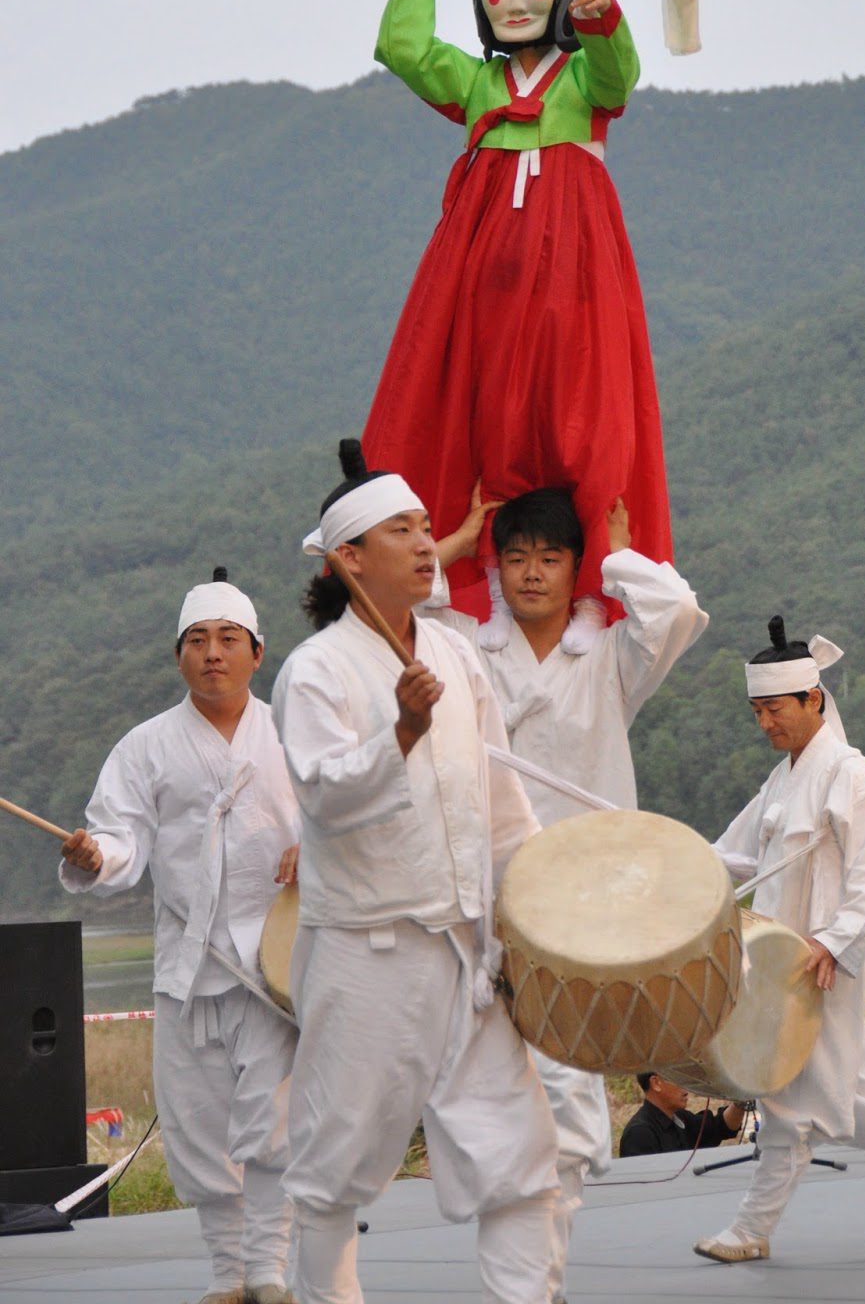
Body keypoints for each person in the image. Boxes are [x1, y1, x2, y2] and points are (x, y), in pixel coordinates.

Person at [271, 440, 560, 1304]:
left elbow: (499, 797)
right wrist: (395, 733)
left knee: (517, 1153)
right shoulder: (314, 670)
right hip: (371, 951)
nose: (429, 543)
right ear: (348, 560)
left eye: (428, 526)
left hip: (469, 948)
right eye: (403, 529)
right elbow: (322, 799)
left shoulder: (457, 655)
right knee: (336, 1162)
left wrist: (530, 911)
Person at [429, 483, 709, 1302]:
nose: (531, 575)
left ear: (575, 569)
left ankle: (538, 1281)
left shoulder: (609, 659)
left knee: (572, 1102)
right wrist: (454, 541)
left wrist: (623, 555)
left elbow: (678, 614)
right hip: (491, 902)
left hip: (589, 906)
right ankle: (529, 1278)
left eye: (550, 558)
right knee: (487, 1098)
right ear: (496, 568)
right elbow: (396, 614)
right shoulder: (467, 652)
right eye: (513, 558)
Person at [363, 0, 672, 653]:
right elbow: (404, 50)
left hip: (574, 278)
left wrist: (600, 12)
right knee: (488, 418)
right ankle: (491, 593)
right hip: (482, 284)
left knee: (579, 422)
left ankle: (592, 592)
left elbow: (619, 74)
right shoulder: (478, 84)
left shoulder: (581, 82)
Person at [693, 617, 865, 1264]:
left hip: (820, 966)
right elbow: (732, 854)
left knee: (785, 1090)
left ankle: (751, 1229)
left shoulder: (852, 772)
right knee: (863, 1082)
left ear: (813, 697)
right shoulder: (781, 780)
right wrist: (676, 862)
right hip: (783, 961)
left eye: (775, 709)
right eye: (756, 711)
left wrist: (836, 943)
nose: (766, 723)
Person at [59, 569, 300, 1304]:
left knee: (275, 1122)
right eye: (197, 641)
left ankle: (270, 1270)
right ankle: (227, 1273)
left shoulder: (295, 730)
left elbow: (347, 806)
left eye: (229, 640)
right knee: (199, 1127)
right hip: (189, 965)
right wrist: (97, 855)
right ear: (178, 657)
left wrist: (317, 851)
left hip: (274, 962)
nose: (213, 654)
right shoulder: (146, 746)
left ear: (259, 653)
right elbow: (120, 832)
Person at [619, 1074, 745, 1157]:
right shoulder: (639, 1133)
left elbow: (720, 1127)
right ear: (656, 1083)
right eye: (679, 1079)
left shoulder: (680, 1118)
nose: (686, 1088)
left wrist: (741, 1102)